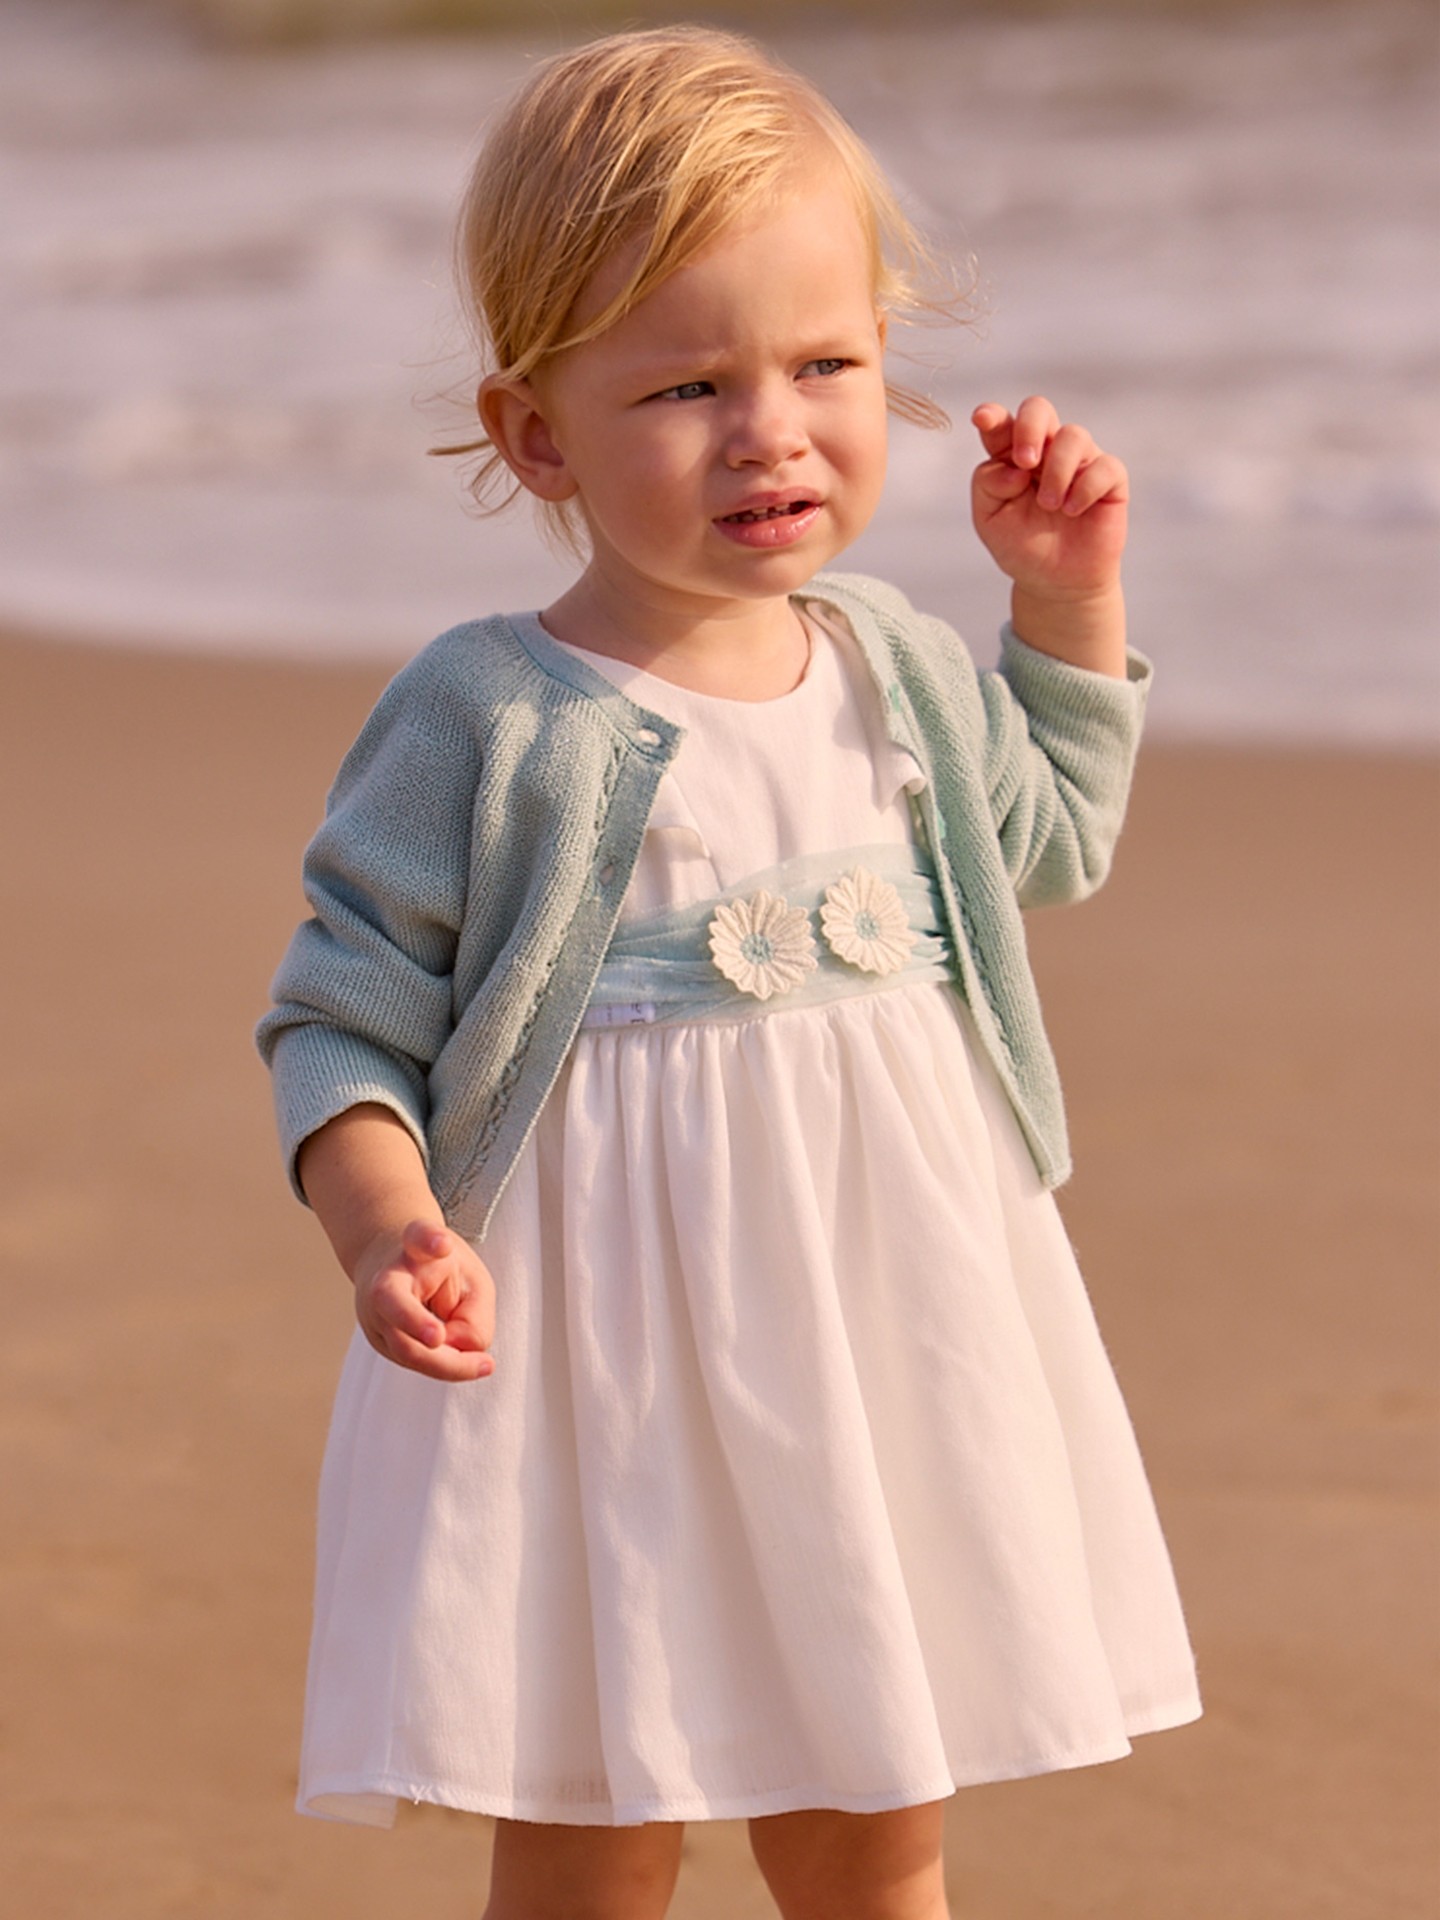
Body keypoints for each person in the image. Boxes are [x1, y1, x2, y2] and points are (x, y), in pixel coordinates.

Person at [257, 25, 1200, 1920]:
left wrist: (1063, 600)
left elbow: (1044, 849)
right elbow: (340, 1011)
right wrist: (383, 1230)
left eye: (828, 364)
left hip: (881, 1316)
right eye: (687, 383)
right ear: (536, 433)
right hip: (604, 1348)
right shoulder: (487, 710)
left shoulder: (896, 658)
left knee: (876, 1808)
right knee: (602, 1818)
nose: (773, 429)